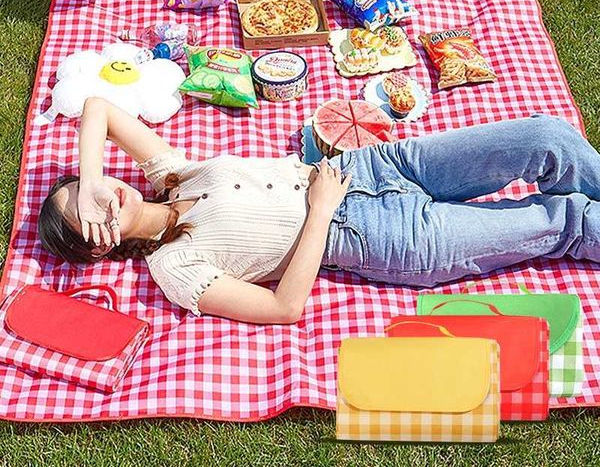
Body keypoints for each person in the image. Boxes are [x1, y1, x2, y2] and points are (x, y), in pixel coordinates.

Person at [39, 98, 600, 324]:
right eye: (91, 216)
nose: (106, 200)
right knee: (563, 220)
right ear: (101, 245)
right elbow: (284, 308)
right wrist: (321, 212)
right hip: (383, 236)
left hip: (381, 166)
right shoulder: (171, 269)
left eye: (95, 191)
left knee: (548, 138)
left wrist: (86, 183)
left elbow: (98, 108)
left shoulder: (170, 175)